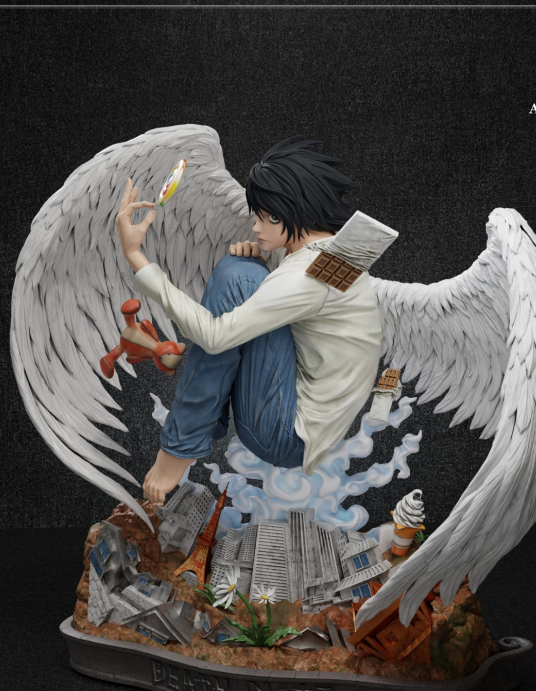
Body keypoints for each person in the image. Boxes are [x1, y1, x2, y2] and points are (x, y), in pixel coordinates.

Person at [115, 136, 384, 504]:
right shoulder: (335, 256)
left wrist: (135, 256)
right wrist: (259, 265)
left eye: (263, 217)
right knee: (243, 271)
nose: (255, 227)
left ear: (287, 213)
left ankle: (177, 450)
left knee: (237, 278)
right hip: (308, 422)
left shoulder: (308, 276)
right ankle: (194, 430)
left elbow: (215, 336)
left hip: (285, 435)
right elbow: (303, 311)